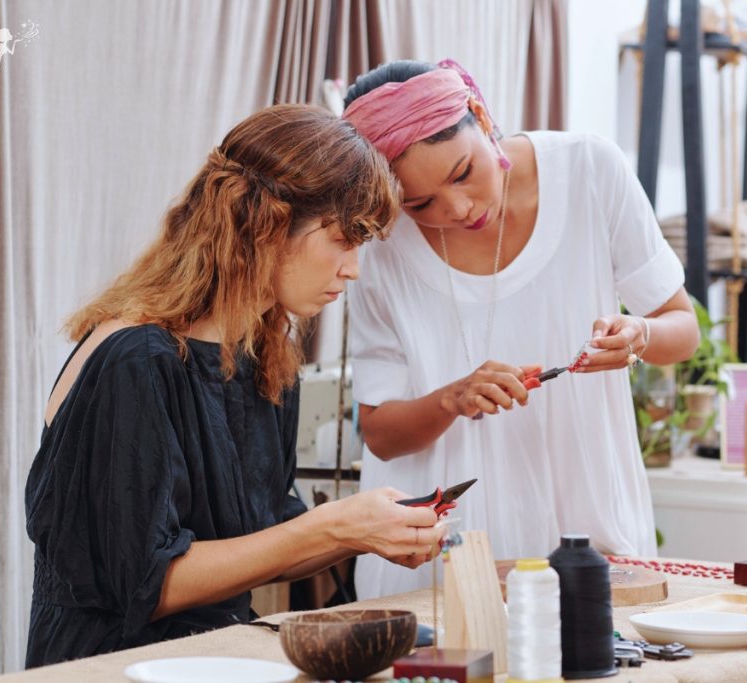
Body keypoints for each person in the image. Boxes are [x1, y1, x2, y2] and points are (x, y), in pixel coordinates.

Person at [23, 105, 444, 667]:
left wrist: (365, 529)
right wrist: (331, 526)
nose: (353, 270)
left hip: (218, 657)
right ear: (267, 223)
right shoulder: (136, 360)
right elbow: (147, 584)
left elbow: (262, 538)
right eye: (344, 239)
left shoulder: (265, 357)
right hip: (107, 667)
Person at [342, 60, 700, 599]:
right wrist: (450, 399)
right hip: (435, 563)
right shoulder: (376, 242)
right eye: (419, 204)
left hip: (587, 534)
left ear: (482, 117)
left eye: (462, 172)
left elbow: (683, 328)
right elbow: (381, 434)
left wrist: (639, 335)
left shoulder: (589, 170)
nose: (458, 209)